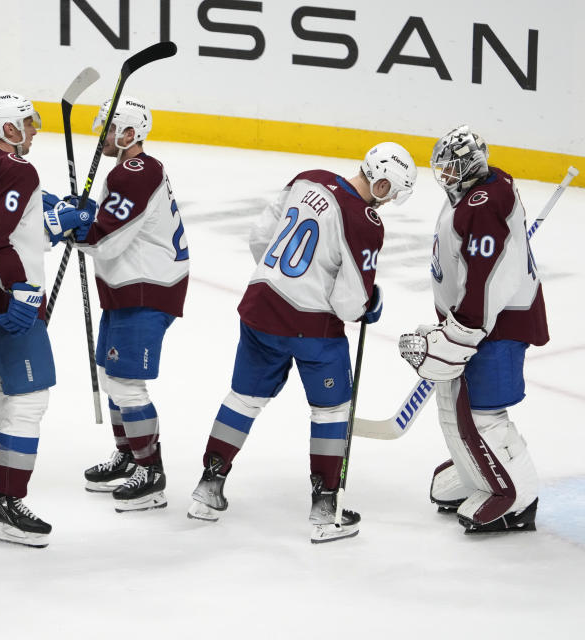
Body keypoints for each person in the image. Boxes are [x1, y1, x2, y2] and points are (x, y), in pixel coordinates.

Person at [187, 142, 417, 543]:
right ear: (381, 184)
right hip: (312, 328)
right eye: (390, 193)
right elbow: (349, 303)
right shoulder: (365, 221)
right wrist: (368, 304)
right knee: (332, 411)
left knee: (243, 398)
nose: (386, 203)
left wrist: (284, 281)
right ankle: (326, 511)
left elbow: (261, 237)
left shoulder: (307, 179)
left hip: (260, 307)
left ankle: (207, 490)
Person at [0, 91, 91, 548]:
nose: (34, 128)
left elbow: (6, 227)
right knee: (28, 402)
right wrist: (21, 291)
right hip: (5, 302)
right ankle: (8, 502)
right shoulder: (16, 167)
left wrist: (56, 219)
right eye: (27, 122)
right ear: (8, 128)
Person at [398, 125, 545, 534]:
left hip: (494, 325)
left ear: (470, 166)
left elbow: (487, 276)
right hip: (479, 319)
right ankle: (478, 476)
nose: (444, 176)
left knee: (484, 413)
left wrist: (464, 329)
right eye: (441, 169)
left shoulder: (482, 205)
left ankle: (516, 495)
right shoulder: (478, 193)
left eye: (451, 168)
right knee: (460, 403)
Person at [73, 97, 188, 513]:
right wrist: (77, 213)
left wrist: (72, 229)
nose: (100, 136)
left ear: (127, 134)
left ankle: (150, 473)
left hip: (147, 287)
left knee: (125, 383)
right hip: (129, 285)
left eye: (107, 129)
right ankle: (128, 456)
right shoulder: (130, 170)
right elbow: (110, 222)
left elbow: (106, 238)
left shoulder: (135, 171)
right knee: (110, 373)